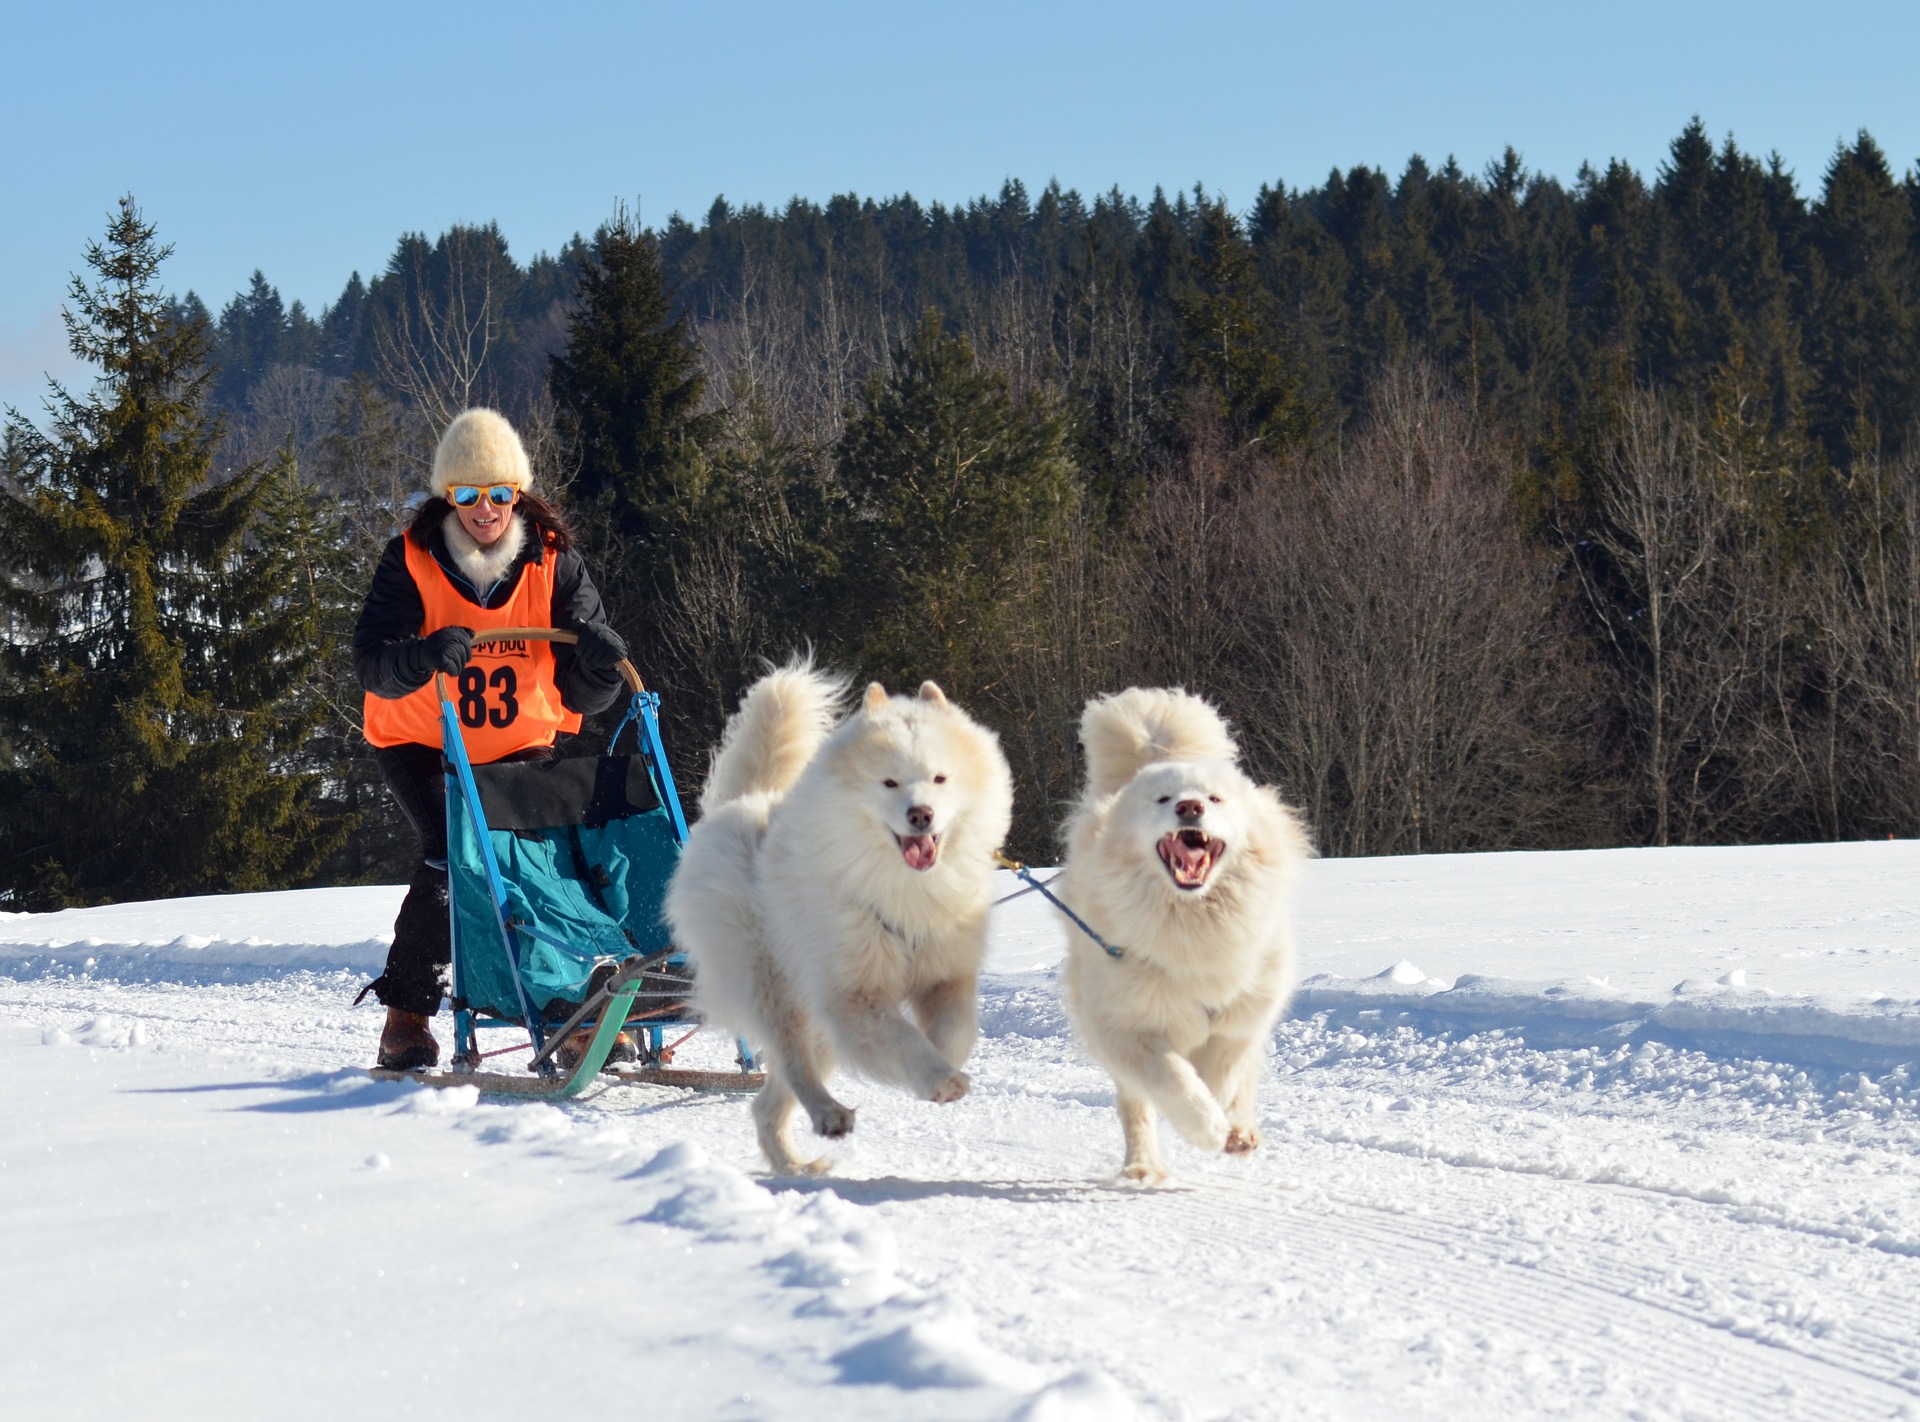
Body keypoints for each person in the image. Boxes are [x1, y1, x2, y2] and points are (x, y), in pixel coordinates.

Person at [353, 408, 629, 1069]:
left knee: (534, 862)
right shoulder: (412, 558)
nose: (486, 509)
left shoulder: (553, 563)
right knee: (451, 854)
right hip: (424, 738)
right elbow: (372, 660)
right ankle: (407, 1016)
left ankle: (569, 1010)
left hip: (517, 742)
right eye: (469, 495)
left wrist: (598, 669)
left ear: (519, 494)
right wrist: (421, 656)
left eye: (499, 494)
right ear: (450, 497)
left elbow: (585, 690)